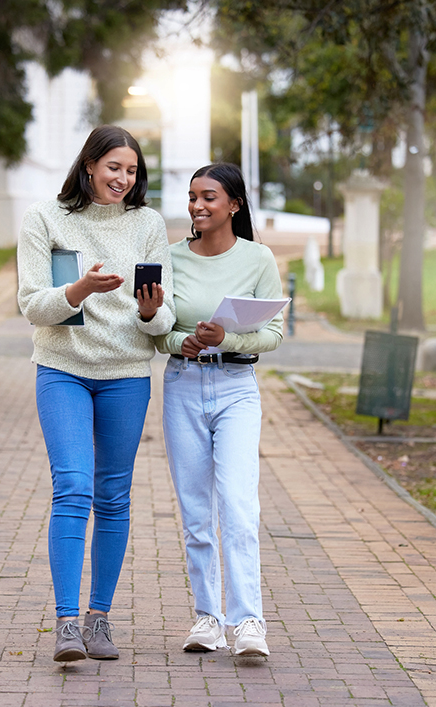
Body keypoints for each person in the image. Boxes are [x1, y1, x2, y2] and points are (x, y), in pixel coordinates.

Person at [17, 125, 175, 663]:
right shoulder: (45, 218)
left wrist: (153, 312)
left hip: (127, 374)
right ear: (89, 165)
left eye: (131, 171)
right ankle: (65, 623)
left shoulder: (148, 224)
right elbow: (33, 304)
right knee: (73, 486)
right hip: (63, 369)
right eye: (113, 168)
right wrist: (80, 288)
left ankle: (99, 619)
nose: (122, 179)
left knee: (113, 496)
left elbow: (164, 316)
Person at [155, 163, 284, 657]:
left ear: (234, 205)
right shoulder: (170, 259)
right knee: (195, 511)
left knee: (238, 504)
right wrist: (179, 340)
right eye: (192, 197)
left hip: (236, 387)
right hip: (184, 385)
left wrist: (225, 337)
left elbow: (272, 334)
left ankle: (248, 621)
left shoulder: (258, 259)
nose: (197, 206)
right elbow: (154, 327)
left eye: (209, 197)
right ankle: (207, 617)